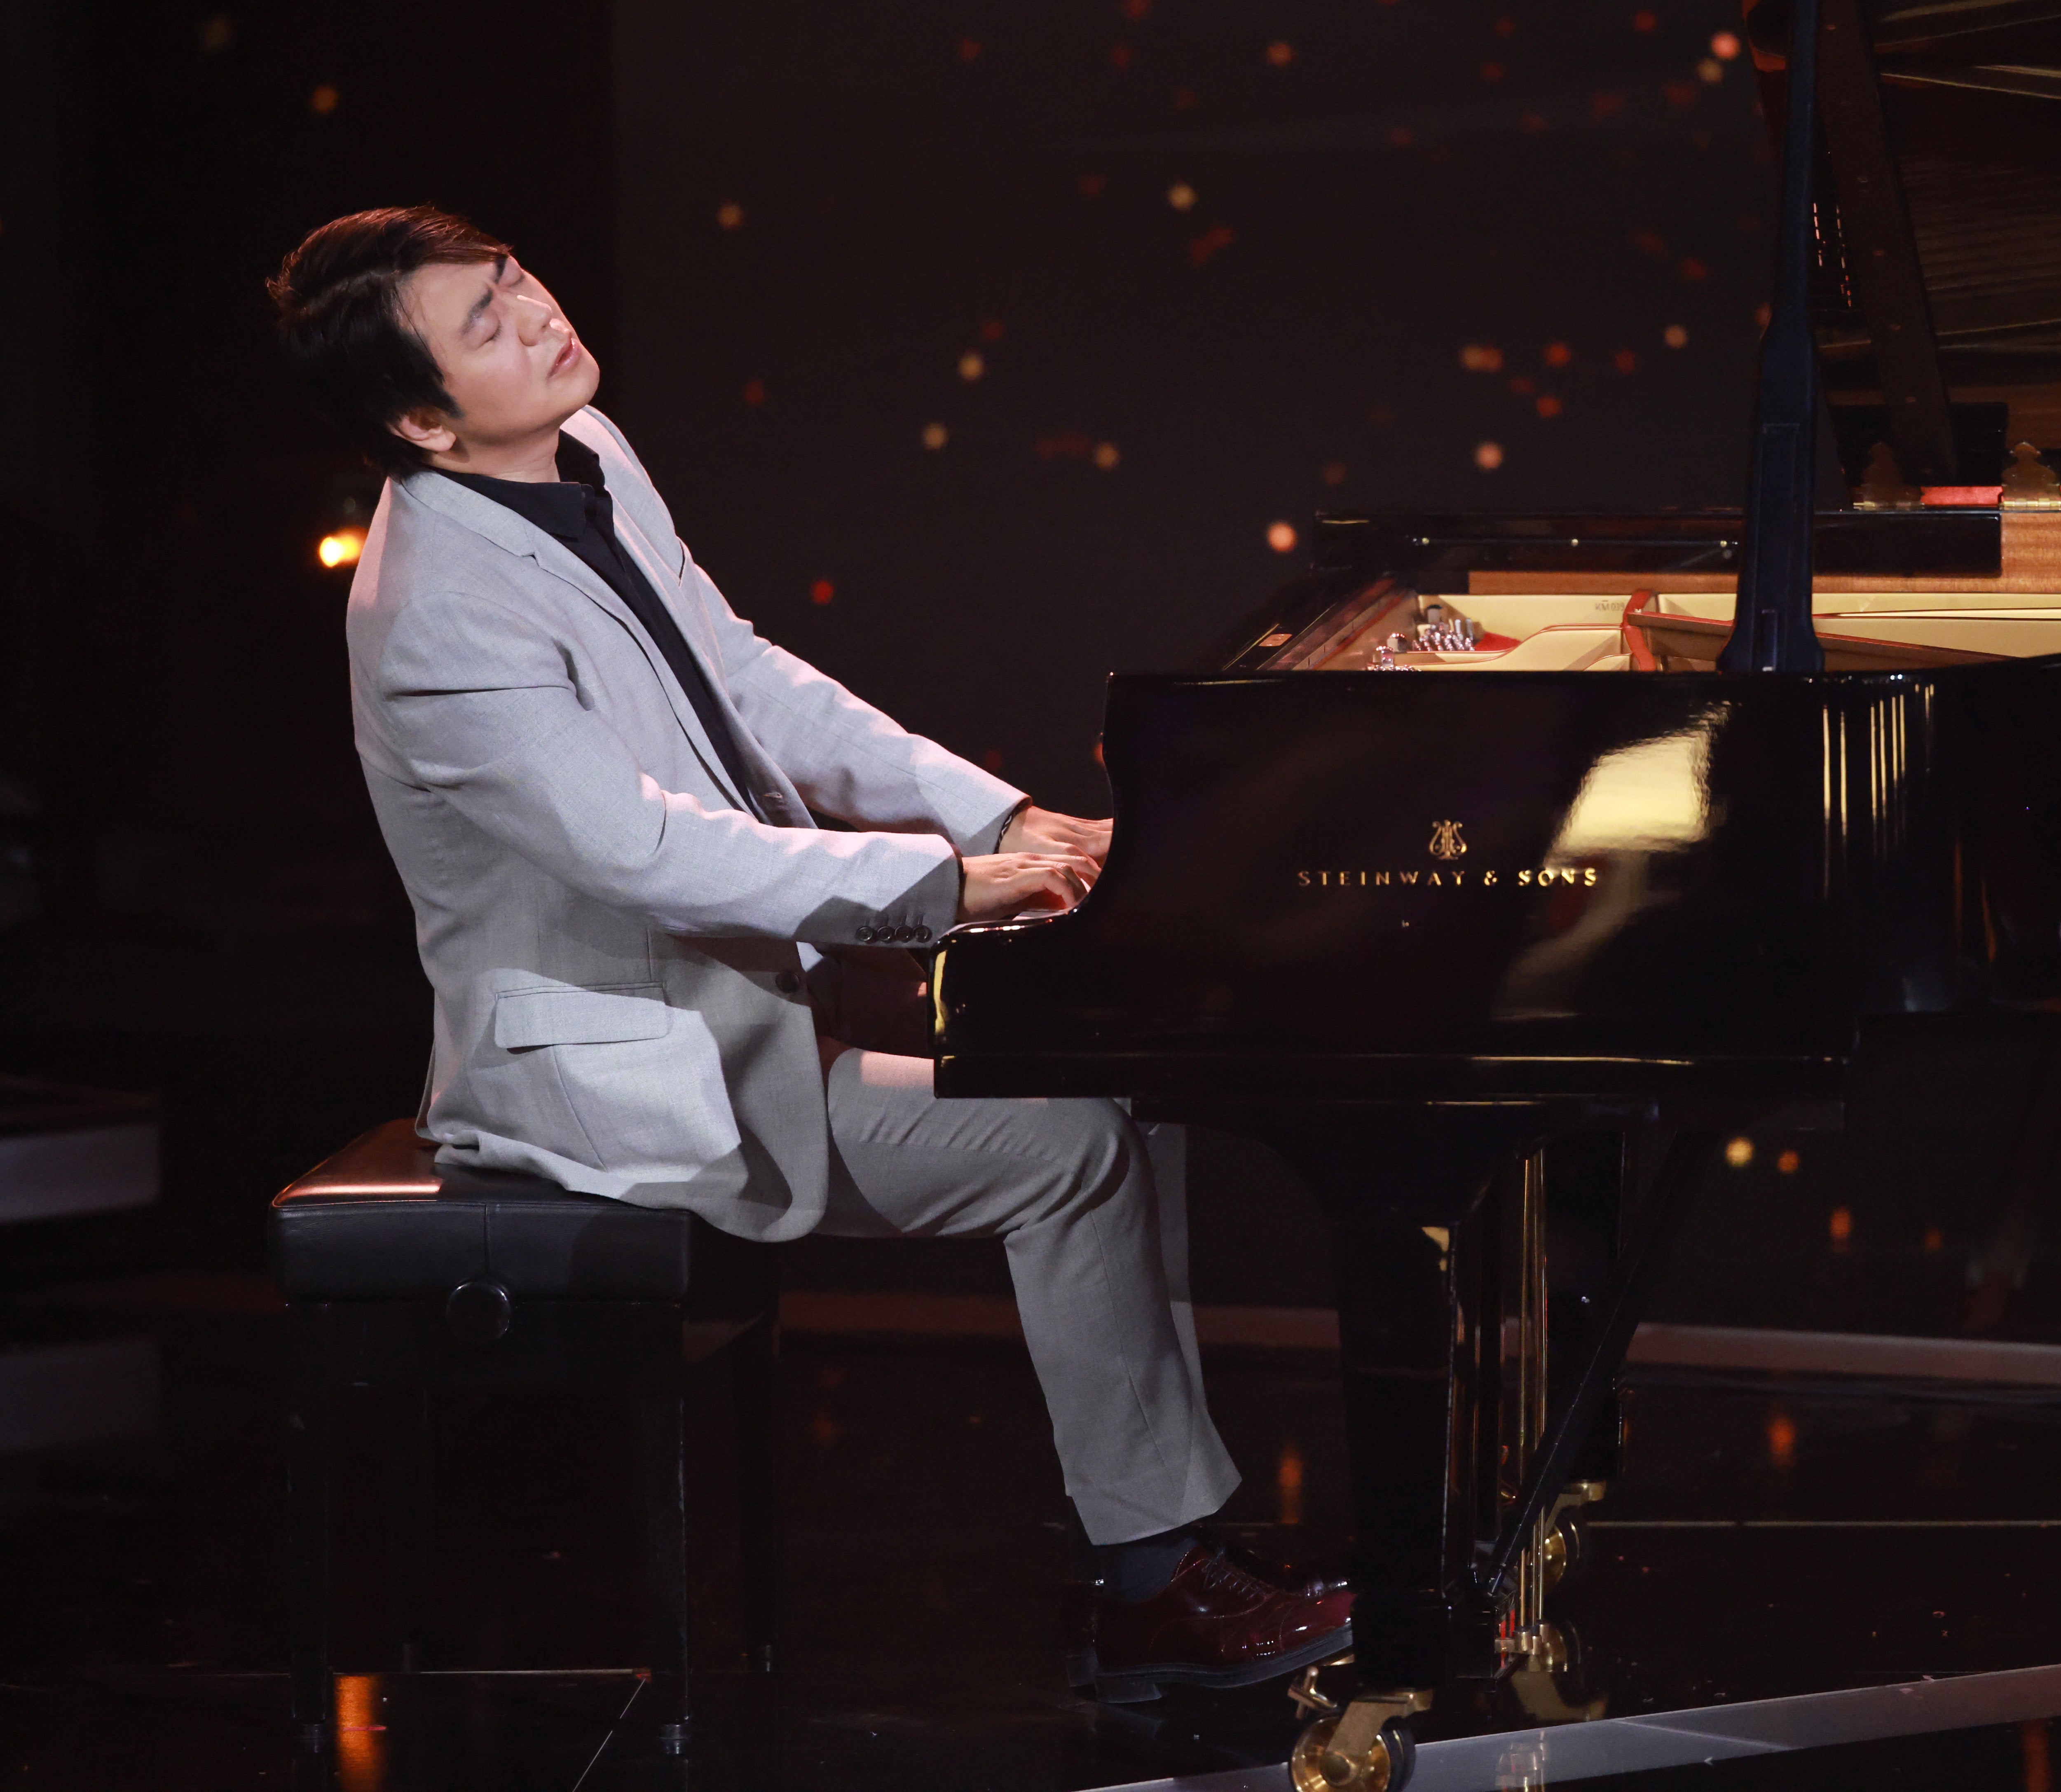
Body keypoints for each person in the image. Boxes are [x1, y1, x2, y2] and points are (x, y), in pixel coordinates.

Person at [267, 205, 1347, 1695]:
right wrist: (947, 889)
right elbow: (642, 850)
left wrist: (997, 812)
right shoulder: (434, 618)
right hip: (616, 1071)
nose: (538, 315)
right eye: (486, 323)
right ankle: (1151, 1589)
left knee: (1114, 1080)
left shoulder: (585, 449)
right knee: (1075, 1145)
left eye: (516, 279)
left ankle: (1158, 1555)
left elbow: (747, 676)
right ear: (419, 420)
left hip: (751, 991)